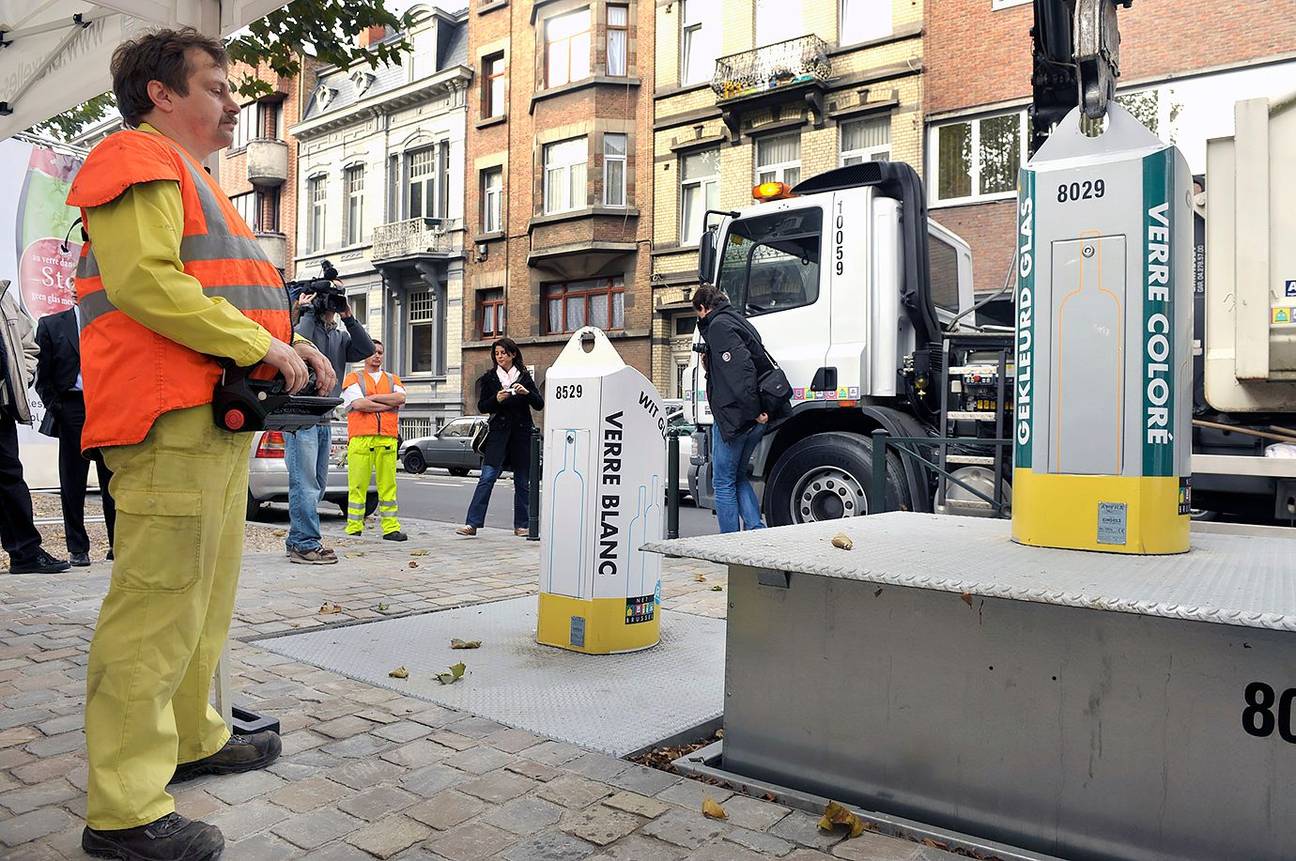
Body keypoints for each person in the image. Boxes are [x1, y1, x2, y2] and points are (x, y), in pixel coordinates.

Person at [68, 28, 335, 860]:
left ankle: (192, 733)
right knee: (156, 609)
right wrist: (264, 347)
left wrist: (290, 340)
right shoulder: (133, 158)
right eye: (216, 87)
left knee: (200, 599)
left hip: (202, 417)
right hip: (167, 418)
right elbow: (149, 281)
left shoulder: (186, 175)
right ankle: (122, 811)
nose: (231, 102)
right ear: (162, 94)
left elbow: (212, 286)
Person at [285, 288, 374, 564]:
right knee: (305, 484)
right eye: (330, 298)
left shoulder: (339, 336)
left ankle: (296, 539)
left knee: (318, 486)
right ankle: (304, 543)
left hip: (324, 415)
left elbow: (366, 349)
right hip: (300, 415)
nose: (332, 304)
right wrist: (308, 310)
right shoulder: (303, 328)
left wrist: (348, 315)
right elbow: (300, 338)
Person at [36, 303, 117, 566]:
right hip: (72, 406)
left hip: (107, 404)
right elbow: (43, 374)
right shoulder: (51, 324)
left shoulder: (110, 320)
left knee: (112, 478)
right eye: (72, 279)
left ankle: (118, 545)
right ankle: (77, 548)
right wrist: (56, 406)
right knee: (73, 479)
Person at [1, 279, 71, 575]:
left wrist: (21, 377)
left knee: (9, 478)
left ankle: (25, 554)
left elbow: (28, 344)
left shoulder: (4, 296)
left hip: (0, 405)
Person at [693, 285, 769, 533]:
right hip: (753, 417)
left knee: (722, 482)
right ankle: (756, 530)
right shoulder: (738, 320)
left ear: (704, 308)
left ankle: (729, 542)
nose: (699, 320)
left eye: (698, 314)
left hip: (736, 417)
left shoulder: (718, 326)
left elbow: (741, 372)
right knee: (738, 477)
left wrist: (752, 410)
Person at [458, 338, 544, 537]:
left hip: (521, 436)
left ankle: (522, 525)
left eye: (503, 353)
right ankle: (472, 524)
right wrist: (496, 399)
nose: (500, 357)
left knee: (523, 482)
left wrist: (527, 393)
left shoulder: (524, 377)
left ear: (513, 354)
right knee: (487, 478)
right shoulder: (489, 378)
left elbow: (539, 403)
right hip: (498, 436)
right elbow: (482, 406)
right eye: (496, 354)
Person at [340, 340, 407, 541]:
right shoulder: (352, 378)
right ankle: (354, 527)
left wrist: (374, 397)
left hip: (386, 438)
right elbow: (359, 404)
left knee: (388, 486)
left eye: (380, 352)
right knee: (357, 485)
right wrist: (387, 403)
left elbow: (400, 399)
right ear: (365, 355)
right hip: (361, 438)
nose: (377, 355)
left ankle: (391, 528)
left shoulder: (392, 378)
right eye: (373, 352)